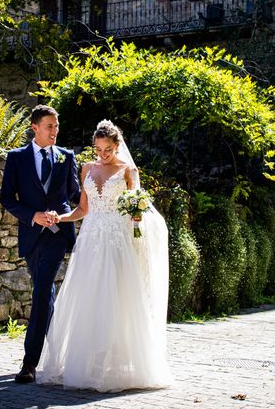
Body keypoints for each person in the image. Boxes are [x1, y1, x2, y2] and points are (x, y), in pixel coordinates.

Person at [36, 120, 172, 392]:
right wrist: (58, 217)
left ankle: (109, 365)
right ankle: (87, 364)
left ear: (117, 146)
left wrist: (137, 217)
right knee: (89, 298)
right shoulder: (87, 168)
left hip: (116, 241)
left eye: (107, 150)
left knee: (115, 300)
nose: (101, 155)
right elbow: (83, 210)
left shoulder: (127, 171)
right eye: (97, 149)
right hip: (90, 241)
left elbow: (137, 209)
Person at [0, 105, 80, 384]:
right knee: (46, 295)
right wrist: (32, 215)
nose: (55, 131)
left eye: (57, 126)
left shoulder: (66, 157)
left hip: (58, 235)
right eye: (50, 126)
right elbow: (7, 198)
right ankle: (60, 355)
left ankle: (29, 364)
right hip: (32, 235)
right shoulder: (16, 158)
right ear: (35, 127)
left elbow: (76, 195)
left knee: (42, 289)